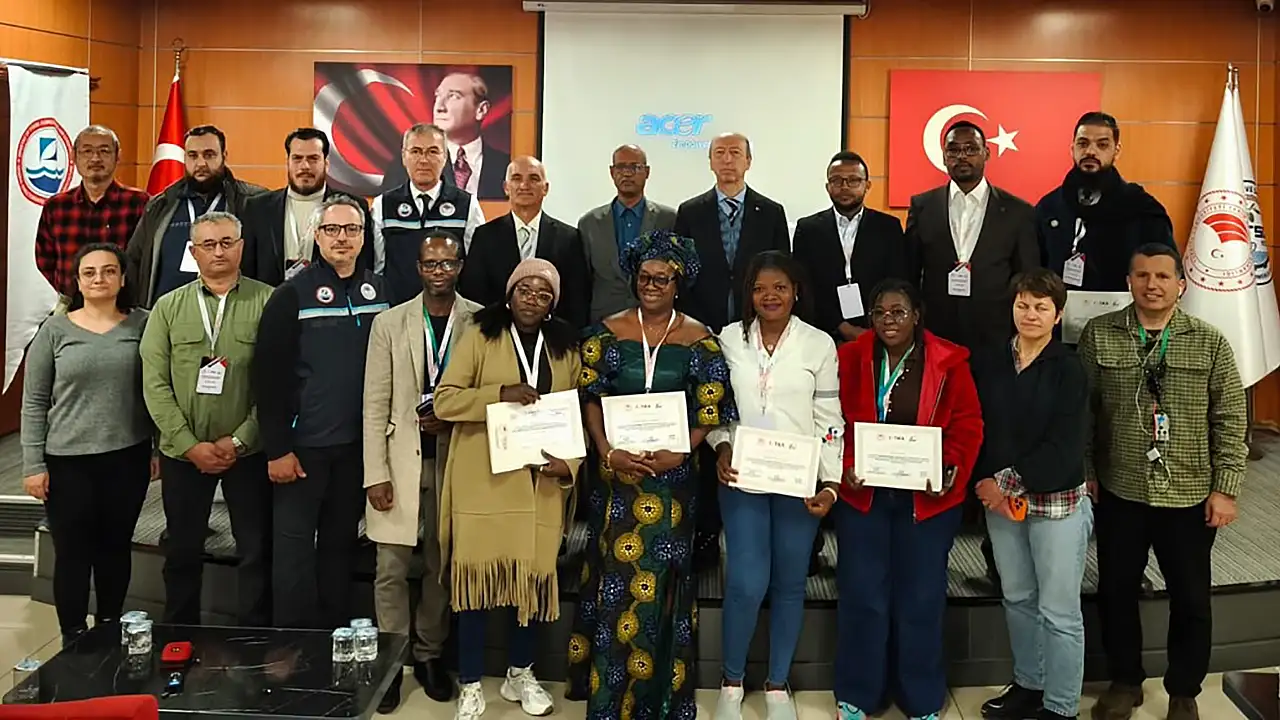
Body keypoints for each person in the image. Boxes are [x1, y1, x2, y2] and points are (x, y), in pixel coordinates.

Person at [565, 229, 739, 720]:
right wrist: (606, 451)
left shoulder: (701, 340)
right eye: (644, 277)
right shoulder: (606, 332)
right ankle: (608, 697)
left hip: (672, 482)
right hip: (617, 479)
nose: (652, 285)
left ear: (678, 283)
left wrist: (681, 451)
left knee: (662, 582)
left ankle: (658, 696)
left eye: (662, 278)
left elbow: (710, 410)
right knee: (614, 580)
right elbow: (591, 398)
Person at [1079, 244, 1248, 720]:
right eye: (1141, 276)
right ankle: (1125, 681)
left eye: (1162, 276)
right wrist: (1087, 472)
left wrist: (1225, 488)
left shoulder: (1209, 341)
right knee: (1116, 591)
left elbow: (1231, 418)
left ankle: (1183, 690)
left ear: (1180, 284)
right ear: (1128, 282)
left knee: (1191, 598)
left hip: (1189, 493)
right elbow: (1084, 412)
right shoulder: (1099, 334)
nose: (1151, 285)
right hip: (1121, 487)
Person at [433, 258, 581, 720]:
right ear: (510, 293)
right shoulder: (480, 334)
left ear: (552, 304)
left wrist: (569, 466)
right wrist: (498, 393)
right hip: (485, 483)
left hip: (541, 488)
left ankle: (521, 673)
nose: (532, 300)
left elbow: (575, 415)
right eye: (525, 290)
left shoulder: (564, 348)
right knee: (477, 587)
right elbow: (445, 400)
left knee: (531, 588)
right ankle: (471, 683)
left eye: (543, 294)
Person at [833, 278, 983, 720]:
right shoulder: (849, 357)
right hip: (864, 496)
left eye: (898, 312)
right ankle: (860, 693)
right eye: (879, 313)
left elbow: (968, 423)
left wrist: (949, 467)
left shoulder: (950, 361)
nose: (888, 321)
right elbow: (831, 420)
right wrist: (845, 465)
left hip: (927, 501)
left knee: (920, 599)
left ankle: (920, 697)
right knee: (863, 595)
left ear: (917, 315)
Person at [708, 250, 843, 720]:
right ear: (748, 294)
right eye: (760, 288)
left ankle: (777, 685)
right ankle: (731, 683)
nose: (770, 296)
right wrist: (721, 445)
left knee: (789, 583)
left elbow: (829, 418)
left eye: (780, 288)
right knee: (746, 583)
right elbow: (715, 407)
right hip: (742, 477)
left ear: (796, 292)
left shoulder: (818, 344)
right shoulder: (728, 339)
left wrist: (830, 482)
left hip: (798, 481)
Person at [905, 118, 1038, 588]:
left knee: (995, 440)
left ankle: (995, 553)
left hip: (995, 346)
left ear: (986, 154)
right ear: (943, 156)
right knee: (939, 435)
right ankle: (936, 540)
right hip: (937, 347)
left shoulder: (1018, 212)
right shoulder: (922, 206)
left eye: (970, 149)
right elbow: (910, 279)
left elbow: (1027, 281)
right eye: (953, 150)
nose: (961, 157)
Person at [252, 195, 391, 629]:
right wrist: (278, 448)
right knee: (293, 551)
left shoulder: (382, 293)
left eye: (351, 230)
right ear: (317, 236)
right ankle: (292, 644)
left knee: (339, 547)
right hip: (303, 449)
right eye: (332, 229)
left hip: (357, 448)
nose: (342, 238)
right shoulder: (291, 294)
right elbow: (268, 376)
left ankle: (333, 638)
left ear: (364, 237)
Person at [139, 211, 274, 627]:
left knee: (255, 549)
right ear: (193, 251)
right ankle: (180, 634)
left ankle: (253, 637)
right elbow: (154, 382)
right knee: (182, 549)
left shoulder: (270, 301)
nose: (218, 252)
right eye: (208, 245)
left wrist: (240, 439)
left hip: (247, 452)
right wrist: (188, 444)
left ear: (241, 247)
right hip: (184, 454)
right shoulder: (168, 308)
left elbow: (279, 381)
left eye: (227, 242)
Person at [363, 231, 479, 711]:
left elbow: (484, 393)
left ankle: (429, 655)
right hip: (399, 459)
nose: (439, 271)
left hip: (457, 459)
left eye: (447, 263)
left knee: (441, 565)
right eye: (430, 263)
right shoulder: (389, 323)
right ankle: (392, 663)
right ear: (417, 268)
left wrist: (452, 415)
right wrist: (375, 473)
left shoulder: (479, 321)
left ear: (460, 266)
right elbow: (374, 403)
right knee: (390, 568)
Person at [970, 268, 1092, 720]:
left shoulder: (1069, 368)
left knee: (1059, 611)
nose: (1030, 314)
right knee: (1018, 598)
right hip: (1002, 506)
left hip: (1055, 504)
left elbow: (1066, 444)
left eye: (1042, 307)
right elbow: (977, 426)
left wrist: (1003, 482)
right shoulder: (991, 361)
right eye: (1023, 305)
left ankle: (1061, 706)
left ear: (1058, 315)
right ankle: (1028, 684)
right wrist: (986, 482)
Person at [21, 243, 153, 645]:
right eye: (89, 272)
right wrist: (33, 464)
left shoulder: (143, 324)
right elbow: (34, 401)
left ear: (123, 278)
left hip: (127, 457)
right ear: (77, 281)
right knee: (73, 553)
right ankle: (73, 636)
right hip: (67, 461)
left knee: (115, 547)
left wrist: (158, 448)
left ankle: (110, 627)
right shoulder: (55, 330)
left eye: (109, 271)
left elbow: (158, 389)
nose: (99, 279)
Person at [126, 125, 266, 307]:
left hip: (233, 312)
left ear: (224, 156)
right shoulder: (160, 205)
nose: (201, 164)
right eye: (193, 156)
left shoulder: (253, 202)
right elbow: (134, 261)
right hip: (166, 314)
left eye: (209, 155)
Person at [1036, 112, 1174, 294]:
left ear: (1116, 151)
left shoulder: (1143, 208)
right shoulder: (1049, 207)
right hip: (1059, 309)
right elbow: (1033, 272)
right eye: (1083, 143)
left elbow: (1164, 272)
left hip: (1123, 309)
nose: (1091, 151)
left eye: (1102, 145)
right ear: (1072, 148)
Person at [673, 132, 790, 334]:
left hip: (756, 321)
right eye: (719, 153)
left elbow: (782, 270)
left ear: (748, 161)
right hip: (701, 322)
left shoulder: (771, 212)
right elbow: (681, 272)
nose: (727, 159)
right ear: (710, 162)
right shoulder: (690, 212)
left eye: (735, 153)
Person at [458, 156, 590, 329]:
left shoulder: (569, 238)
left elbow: (577, 299)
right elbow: (474, 294)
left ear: (545, 188)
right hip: (497, 334)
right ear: (506, 188)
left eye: (533, 179)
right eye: (516, 178)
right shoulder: (485, 235)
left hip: (552, 336)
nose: (524, 185)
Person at [793, 151, 908, 345]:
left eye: (853, 180)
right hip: (822, 332)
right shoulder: (808, 229)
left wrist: (877, 323)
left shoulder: (888, 227)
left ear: (867, 185)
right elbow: (805, 285)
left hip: (877, 331)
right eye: (837, 180)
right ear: (827, 186)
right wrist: (842, 326)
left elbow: (897, 281)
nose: (844, 187)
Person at [240, 127, 377, 287]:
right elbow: (247, 272)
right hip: (272, 299)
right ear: (288, 162)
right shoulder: (257, 208)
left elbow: (364, 265)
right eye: (297, 158)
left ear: (326, 163)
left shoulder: (352, 207)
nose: (305, 166)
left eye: (313, 159)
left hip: (332, 299)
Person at [35, 125, 149, 309]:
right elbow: (45, 260)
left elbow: (147, 259)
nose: (95, 158)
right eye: (87, 151)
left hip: (126, 306)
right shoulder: (56, 206)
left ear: (118, 156)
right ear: (74, 156)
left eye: (104, 151)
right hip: (71, 303)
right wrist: (75, 289)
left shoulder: (140, 203)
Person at [370, 123, 485, 305]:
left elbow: (476, 268)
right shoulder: (383, 205)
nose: (423, 160)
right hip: (397, 310)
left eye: (432, 152)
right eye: (416, 151)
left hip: (451, 311)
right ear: (404, 157)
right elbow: (377, 267)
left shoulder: (467, 204)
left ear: (445, 157)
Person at [578, 144, 677, 324]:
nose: (627, 173)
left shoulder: (669, 219)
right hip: (603, 323)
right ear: (612, 172)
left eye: (634, 167)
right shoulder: (589, 223)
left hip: (656, 321)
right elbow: (583, 282)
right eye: (621, 167)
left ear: (647, 172)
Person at [435, 71, 511, 201]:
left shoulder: (506, 166)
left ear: (481, 110)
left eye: (453, 96)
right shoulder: (412, 166)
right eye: (438, 96)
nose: (439, 107)